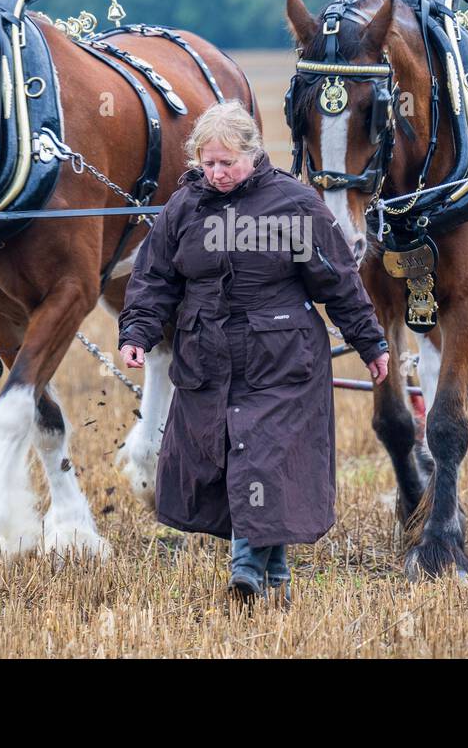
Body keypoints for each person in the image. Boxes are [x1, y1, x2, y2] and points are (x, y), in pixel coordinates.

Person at [118, 100, 389, 602]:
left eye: (228, 162)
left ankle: (245, 568)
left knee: (261, 459)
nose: (217, 173)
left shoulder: (294, 203)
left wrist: (369, 341)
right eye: (208, 163)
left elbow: (337, 281)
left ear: (253, 154)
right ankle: (276, 577)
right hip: (208, 360)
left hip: (281, 359)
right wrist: (137, 333)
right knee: (231, 462)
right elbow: (154, 278)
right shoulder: (182, 207)